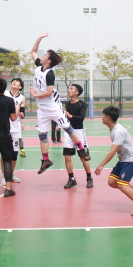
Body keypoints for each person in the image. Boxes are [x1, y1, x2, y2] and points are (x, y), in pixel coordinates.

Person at [29, 32, 90, 174]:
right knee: (42, 134)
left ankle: (82, 149)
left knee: (67, 128)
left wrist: (35, 95)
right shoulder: (39, 67)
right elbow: (33, 51)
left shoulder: (50, 73)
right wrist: (39, 38)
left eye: (45, 55)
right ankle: (45, 160)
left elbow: (49, 92)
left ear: (49, 61)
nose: (42, 56)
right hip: (42, 108)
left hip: (52, 105)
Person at [95, 106, 133, 216]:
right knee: (112, 182)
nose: (102, 118)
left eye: (103, 115)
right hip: (123, 160)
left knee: (123, 185)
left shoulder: (118, 131)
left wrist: (101, 165)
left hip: (130, 160)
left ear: (108, 117)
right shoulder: (112, 129)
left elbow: (113, 151)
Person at [62, 84, 93, 189]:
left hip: (79, 132)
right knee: (67, 156)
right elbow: (66, 119)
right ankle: (71, 179)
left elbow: (81, 118)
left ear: (77, 92)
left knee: (83, 157)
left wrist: (70, 116)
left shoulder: (82, 104)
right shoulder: (67, 104)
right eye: (69, 89)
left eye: (71, 89)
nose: (69, 90)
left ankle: (89, 178)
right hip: (68, 132)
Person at [1, 78, 25, 185]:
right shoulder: (5, 93)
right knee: (5, 153)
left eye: (16, 82)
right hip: (4, 127)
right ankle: (4, 175)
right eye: (13, 81)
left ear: (20, 87)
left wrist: (21, 114)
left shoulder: (22, 98)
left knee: (14, 153)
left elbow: (22, 113)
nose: (14, 82)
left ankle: (11, 174)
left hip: (15, 128)